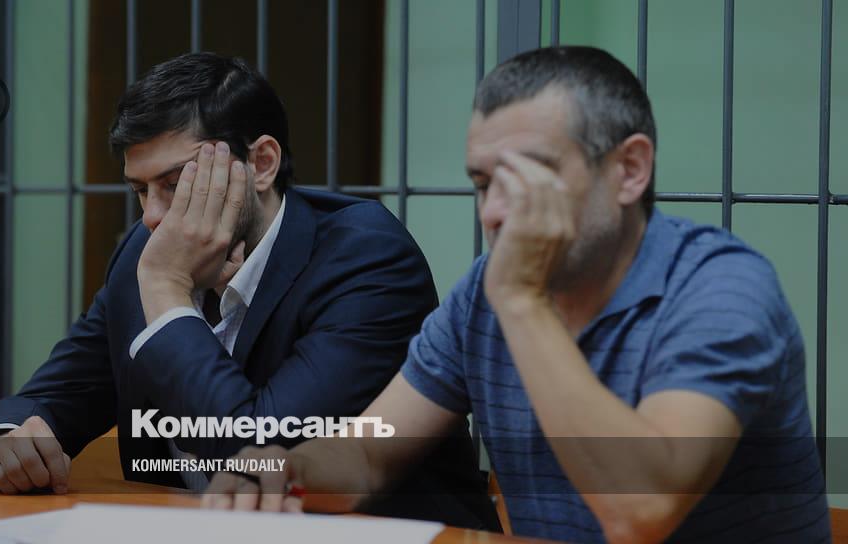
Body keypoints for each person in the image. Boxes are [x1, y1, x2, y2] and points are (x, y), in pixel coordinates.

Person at [202, 46, 831, 543]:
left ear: (630, 170)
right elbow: (368, 454)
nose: (497, 211)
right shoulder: (489, 293)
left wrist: (524, 303)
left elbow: (641, 511)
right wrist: (286, 468)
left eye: (530, 177)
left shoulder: (720, 289)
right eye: (483, 183)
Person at [0, 52, 500, 531]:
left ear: (261, 163)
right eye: (140, 190)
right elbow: (58, 393)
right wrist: (6, 440)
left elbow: (261, 455)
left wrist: (169, 294)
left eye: (175, 184)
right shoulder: (144, 255)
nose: (153, 218)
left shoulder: (364, 256)